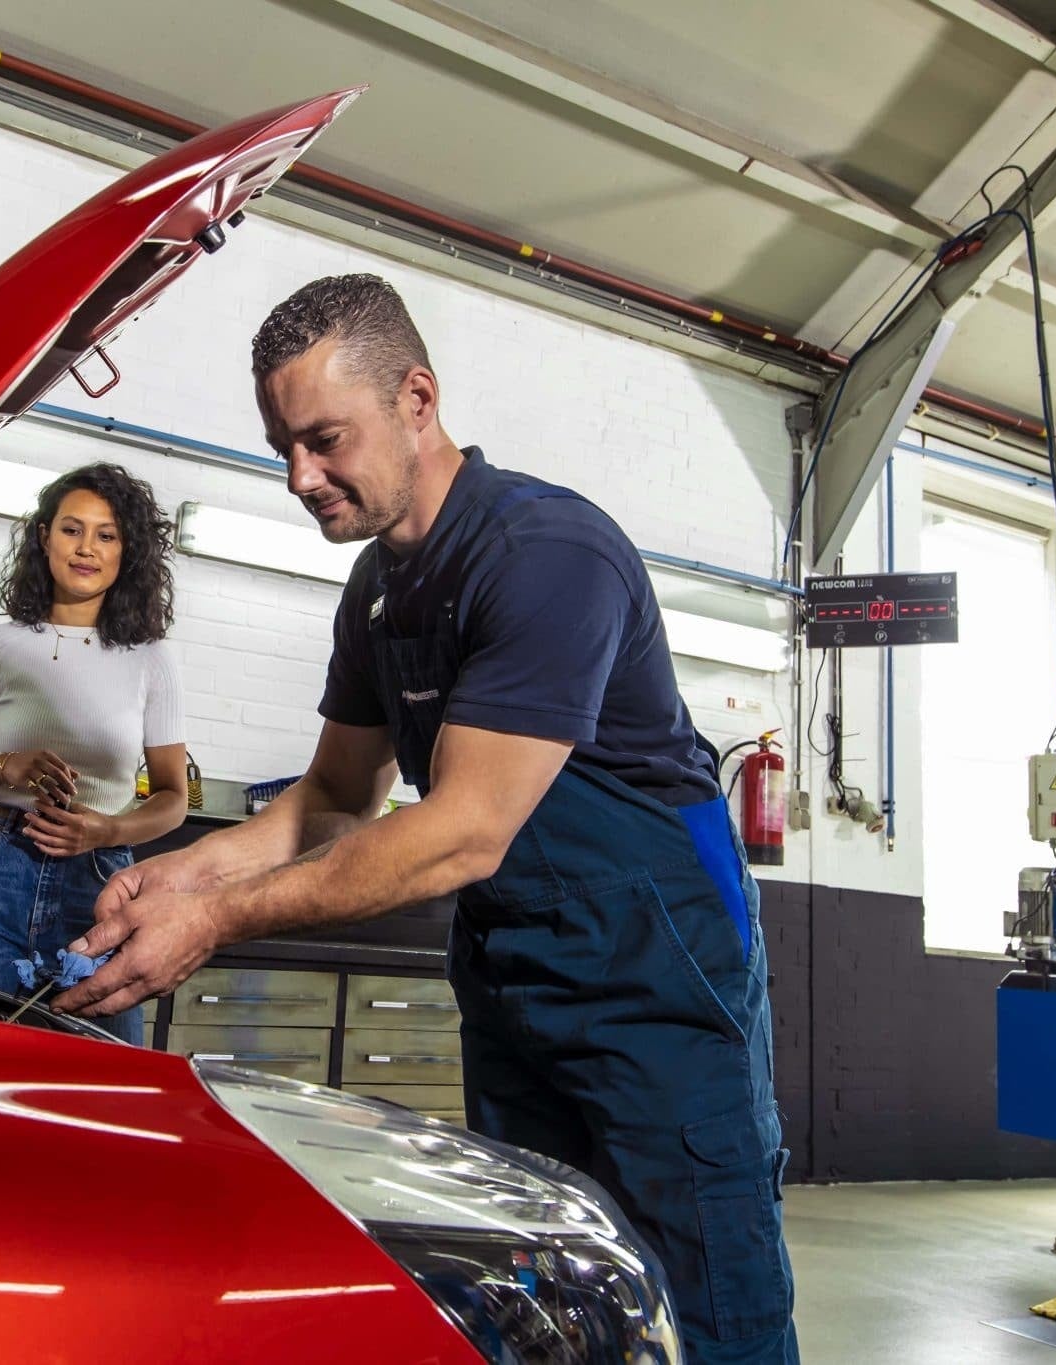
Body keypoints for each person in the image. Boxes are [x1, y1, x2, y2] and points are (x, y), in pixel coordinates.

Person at [57, 276, 796, 1360]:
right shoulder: (374, 594)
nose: (301, 477)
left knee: (705, 1292)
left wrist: (218, 924)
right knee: (554, 1289)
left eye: (323, 440)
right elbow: (334, 799)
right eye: (283, 448)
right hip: (514, 979)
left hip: (658, 974)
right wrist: (185, 875)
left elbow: (463, 829)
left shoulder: (546, 554)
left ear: (415, 399)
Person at [0, 462, 189, 1044]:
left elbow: (174, 795)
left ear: (126, 552)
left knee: (103, 1077)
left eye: (106, 534)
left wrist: (106, 831)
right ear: (44, 538)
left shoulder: (150, 661)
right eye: (72, 529)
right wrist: (2, 765)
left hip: (98, 888)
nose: (86, 548)